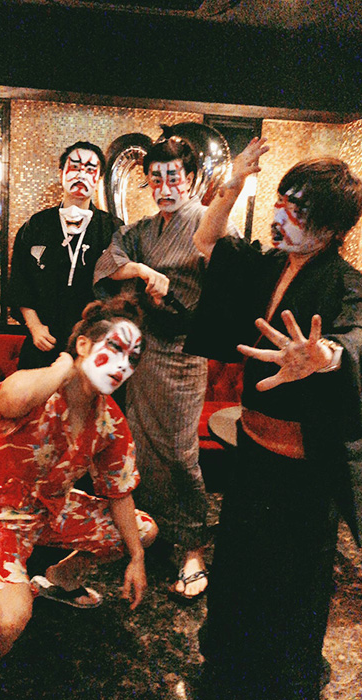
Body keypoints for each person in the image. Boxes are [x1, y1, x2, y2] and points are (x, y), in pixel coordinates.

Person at [186, 138, 362, 699]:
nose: (281, 216)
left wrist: (323, 356)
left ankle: (284, 682)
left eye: (298, 210)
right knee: (239, 570)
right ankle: (227, 667)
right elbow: (205, 240)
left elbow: (354, 337)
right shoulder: (270, 267)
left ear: (331, 229)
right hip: (252, 453)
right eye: (282, 201)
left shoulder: (347, 283)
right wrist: (234, 182)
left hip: (304, 474)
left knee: (291, 587)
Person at [0, 295, 158, 700]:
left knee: (143, 530)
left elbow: (119, 492)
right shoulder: (40, 389)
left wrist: (136, 557)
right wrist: (62, 367)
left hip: (55, 512)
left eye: (131, 359)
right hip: (0, 516)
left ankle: (62, 579)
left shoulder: (110, 419)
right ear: (83, 344)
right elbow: (10, 399)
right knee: (9, 619)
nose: (121, 365)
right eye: (114, 349)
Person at [93, 135, 238, 600]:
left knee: (177, 453)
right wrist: (142, 271)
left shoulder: (205, 223)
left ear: (191, 179)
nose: (164, 186)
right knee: (138, 444)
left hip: (183, 352)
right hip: (143, 351)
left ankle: (193, 546)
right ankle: (150, 533)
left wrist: (174, 297)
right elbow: (110, 261)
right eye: (155, 178)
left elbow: (230, 283)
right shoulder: (143, 230)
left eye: (173, 176)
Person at [9, 140, 123, 369]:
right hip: (43, 340)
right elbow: (20, 282)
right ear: (61, 172)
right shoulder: (36, 226)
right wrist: (35, 327)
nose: (81, 175)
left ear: (98, 178)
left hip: (93, 346)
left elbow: (121, 291)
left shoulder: (113, 228)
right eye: (75, 167)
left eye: (90, 169)